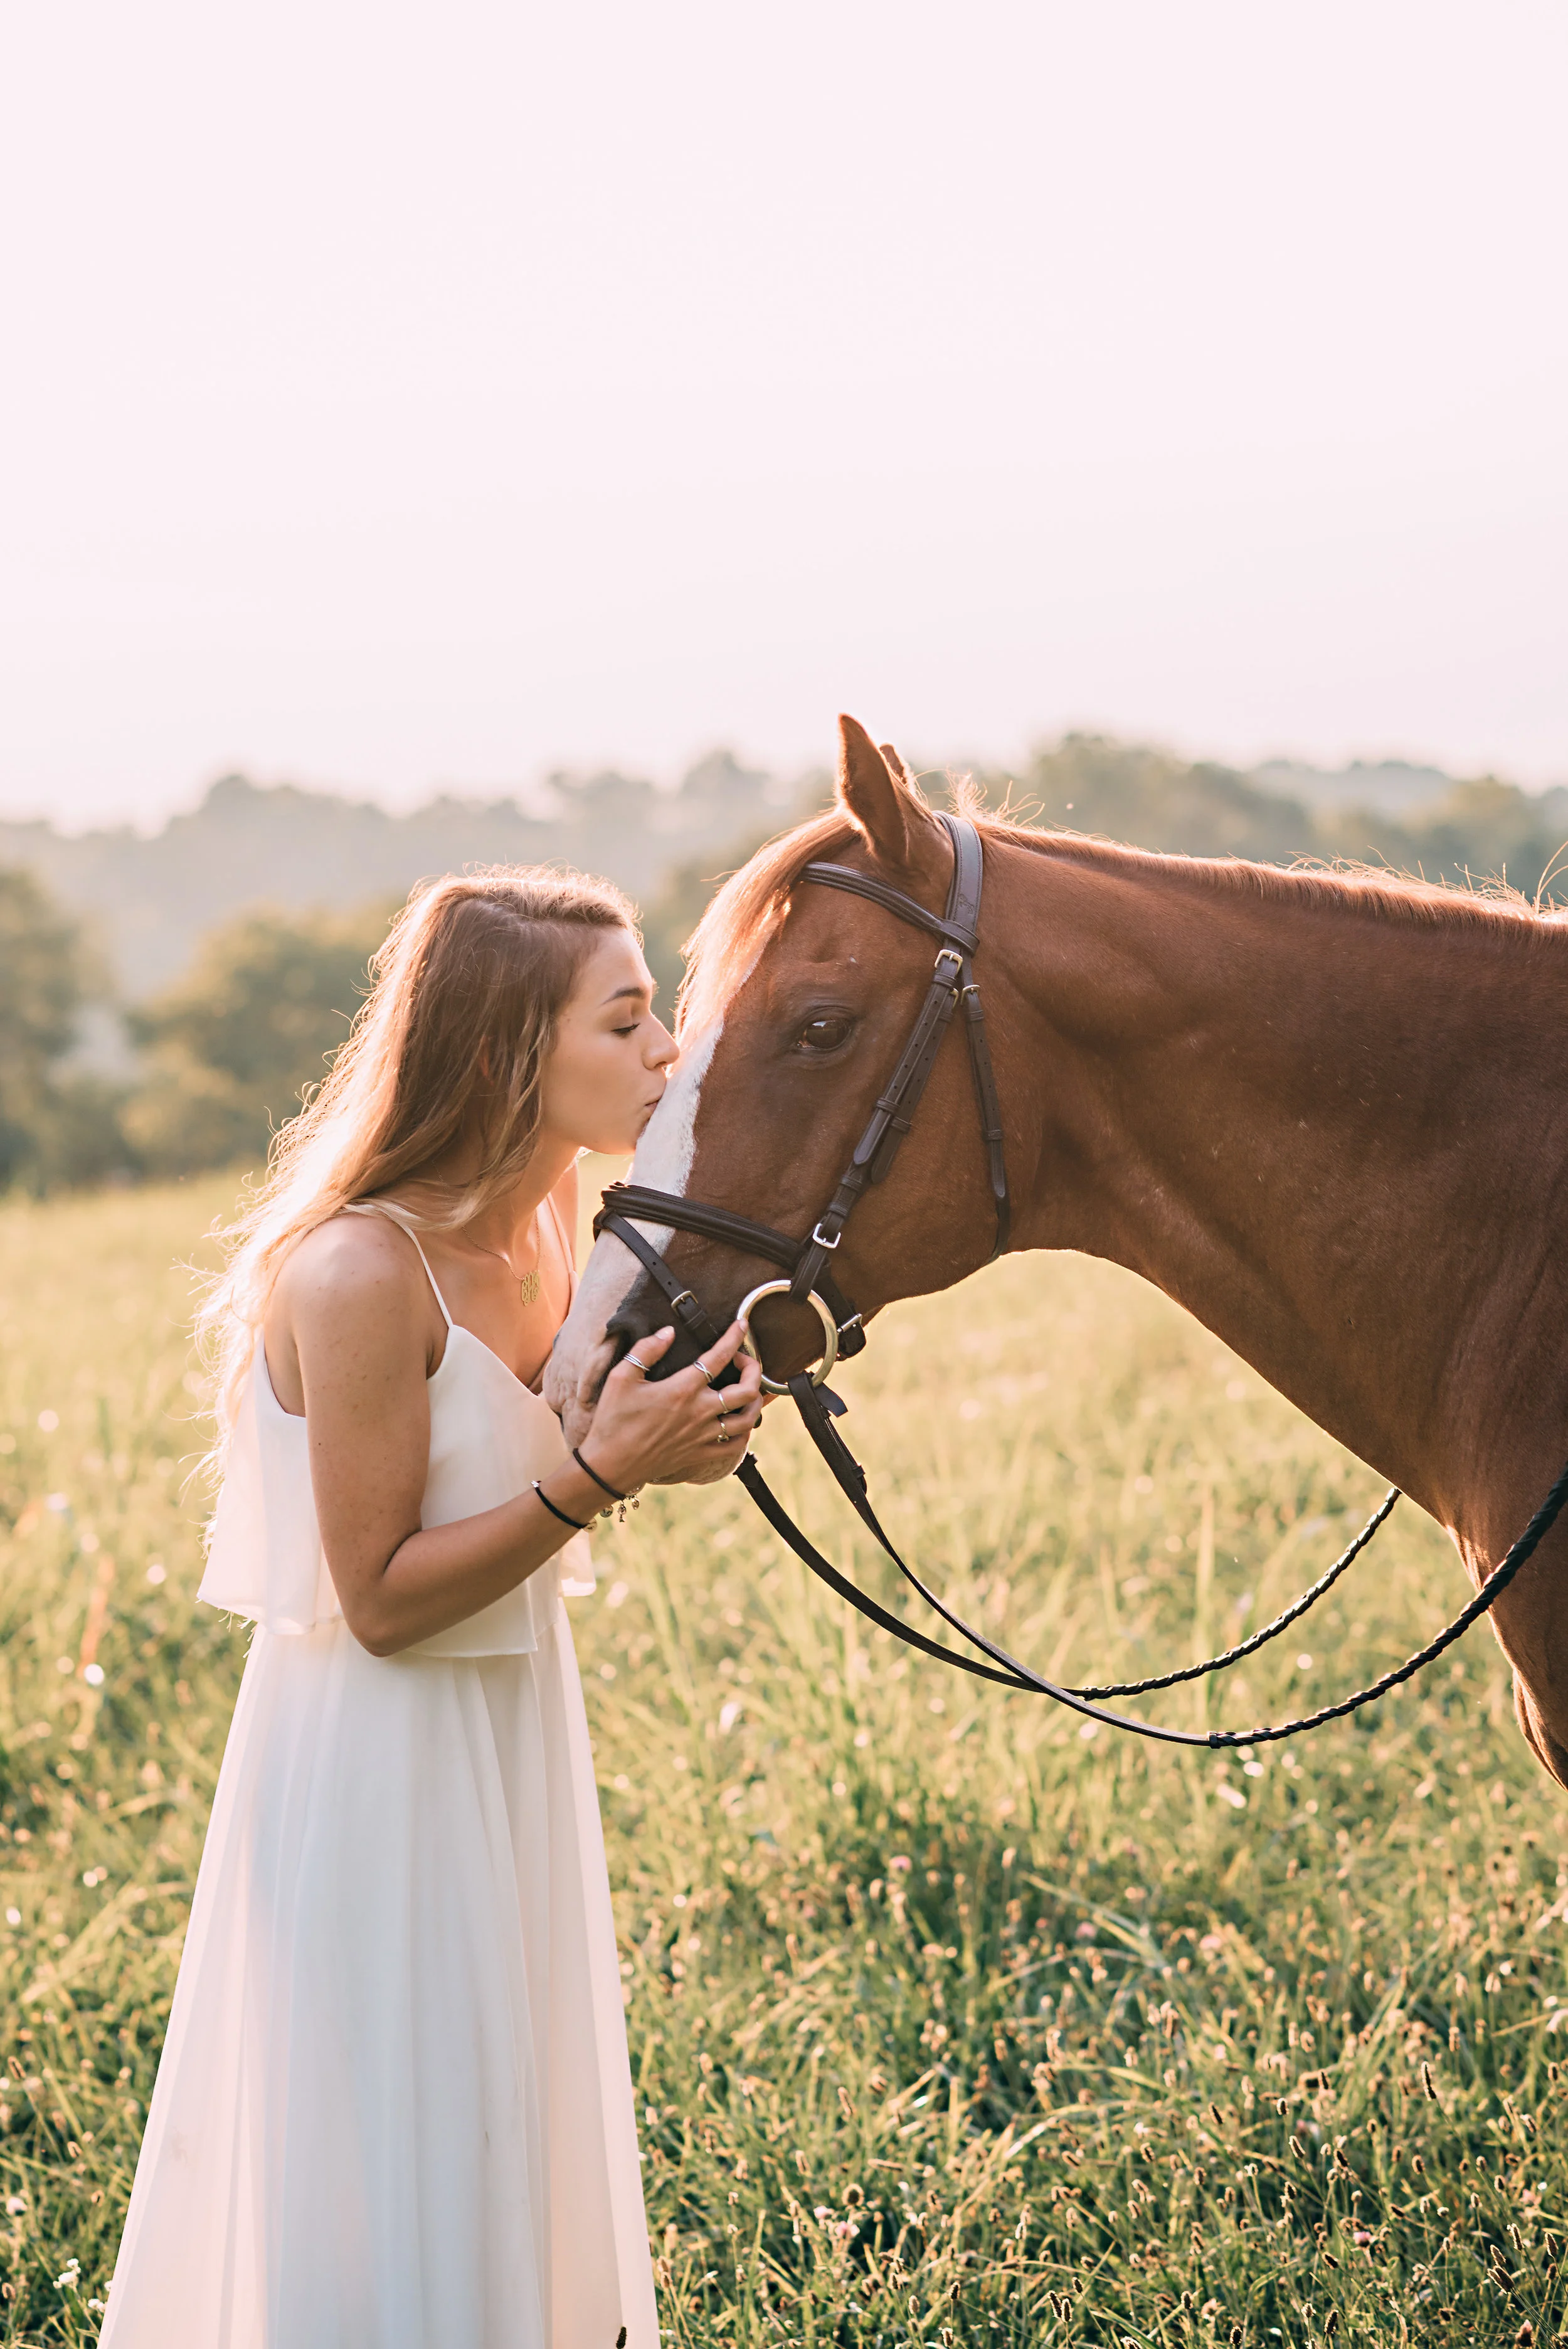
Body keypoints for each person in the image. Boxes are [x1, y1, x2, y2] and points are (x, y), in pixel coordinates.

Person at [100, 868, 763, 2349]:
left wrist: (675, 1439)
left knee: (499, 2133)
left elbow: (531, 1487)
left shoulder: (549, 1258)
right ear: (501, 1057)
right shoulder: (357, 1271)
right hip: (377, 1774)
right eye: (629, 1019)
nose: (669, 1051)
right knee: (389, 2153)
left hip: (508, 1744)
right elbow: (385, 1600)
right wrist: (597, 1477)